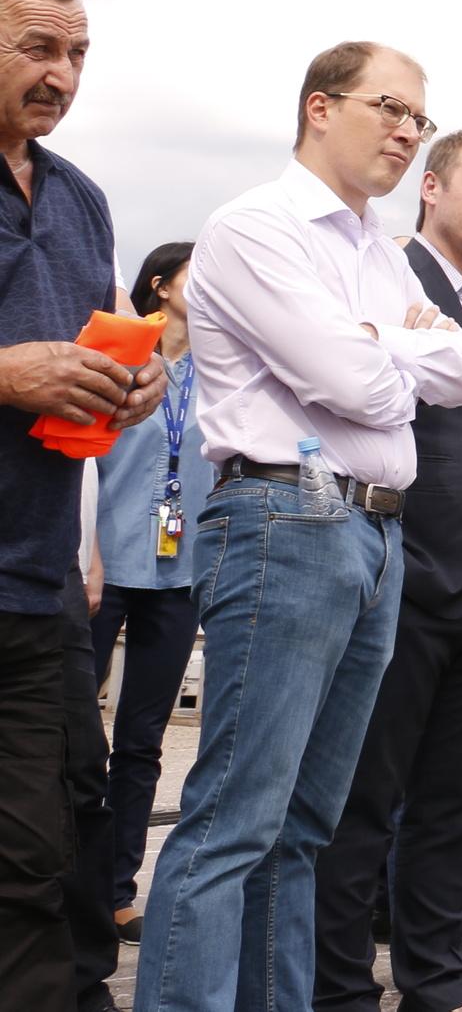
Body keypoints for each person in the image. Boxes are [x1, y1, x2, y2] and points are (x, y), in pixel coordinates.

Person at [136, 42, 462, 1012]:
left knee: (303, 828)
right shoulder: (256, 227)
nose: (410, 135)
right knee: (235, 820)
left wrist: (380, 341)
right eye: (392, 110)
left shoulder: (378, 248)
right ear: (321, 107)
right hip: (285, 516)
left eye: (420, 119)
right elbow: (357, 384)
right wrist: (392, 345)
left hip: (373, 533)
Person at [309, 128, 462, 1012]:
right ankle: (339, 989)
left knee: (456, 805)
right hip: (406, 577)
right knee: (363, 799)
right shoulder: (382, 277)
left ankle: (432, 979)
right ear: (431, 187)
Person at [0, 0, 166, 1005]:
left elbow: (92, 351)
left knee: (56, 836)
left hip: (38, 578)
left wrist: (130, 386)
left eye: (77, 53)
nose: (61, 72)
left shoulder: (82, 198)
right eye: (35, 48)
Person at [89, 242, 213, 944]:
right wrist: (86, 550)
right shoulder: (118, 351)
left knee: (142, 740)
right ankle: (57, 880)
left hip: (180, 572)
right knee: (75, 734)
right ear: (160, 285)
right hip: (103, 565)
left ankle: (117, 890)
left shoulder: (223, 372)